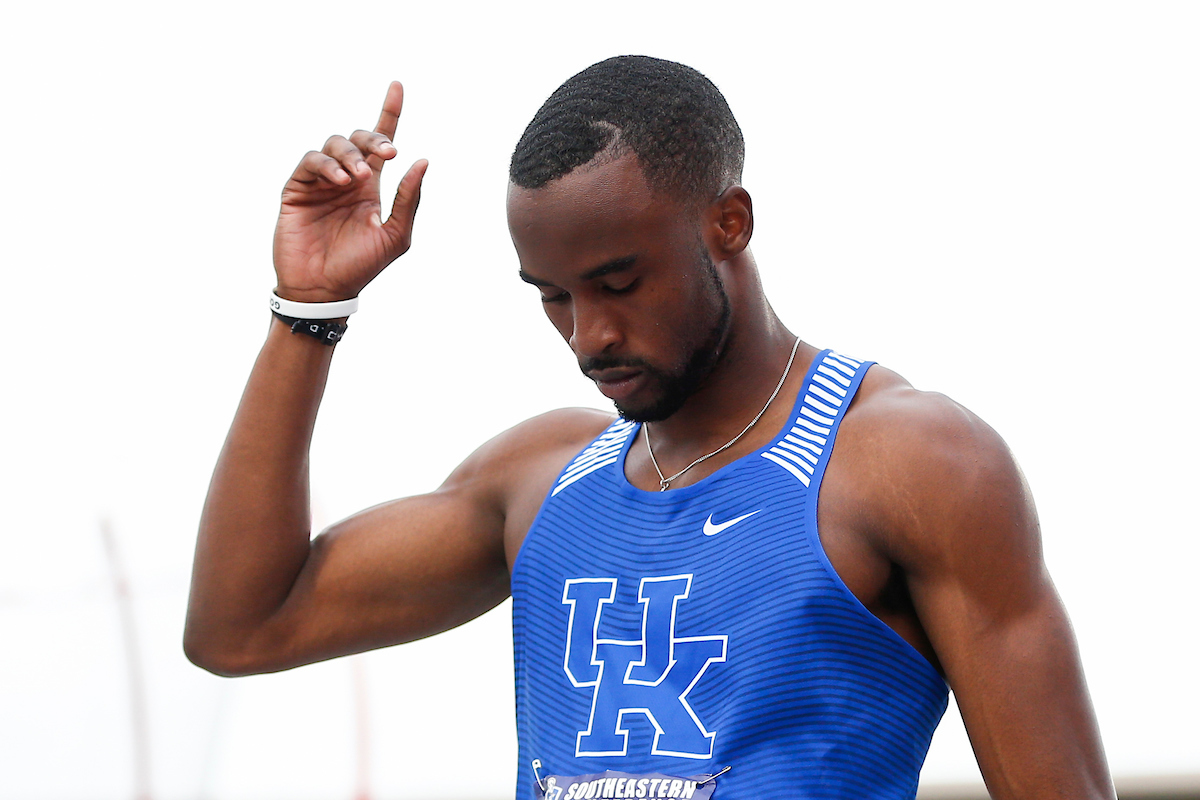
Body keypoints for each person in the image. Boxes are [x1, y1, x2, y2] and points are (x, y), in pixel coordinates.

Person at [185, 56, 1114, 799]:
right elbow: (242, 626)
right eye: (553, 297)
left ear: (729, 224)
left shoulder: (908, 462)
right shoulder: (543, 478)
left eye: (619, 284)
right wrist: (308, 311)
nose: (589, 335)